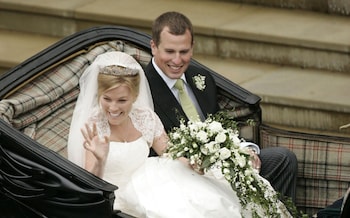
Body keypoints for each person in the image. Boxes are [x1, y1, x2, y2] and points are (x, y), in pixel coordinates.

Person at [67, 51, 291, 217]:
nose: (113, 108)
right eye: (107, 99)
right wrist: (99, 158)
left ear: (134, 96)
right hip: (124, 195)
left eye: (122, 100)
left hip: (156, 178)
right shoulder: (92, 126)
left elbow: (169, 152)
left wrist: (196, 164)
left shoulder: (145, 117)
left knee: (213, 198)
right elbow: (89, 190)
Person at [144, 11, 298, 202]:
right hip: (182, 176)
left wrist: (245, 150)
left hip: (223, 162)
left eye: (184, 52)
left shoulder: (202, 78)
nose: (177, 60)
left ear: (192, 48)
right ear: (154, 47)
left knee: (284, 159)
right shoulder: (142, 86)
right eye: (170, 51)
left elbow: (221, 126)